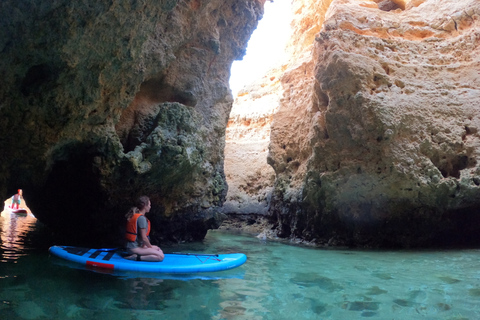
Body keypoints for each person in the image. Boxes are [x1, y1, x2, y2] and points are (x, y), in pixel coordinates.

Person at [124, 196, 164, 262]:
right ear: (145, 205)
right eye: (149, 205)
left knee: (158, 249)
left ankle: (139, 255)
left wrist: (151, 248)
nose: (150, 207)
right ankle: (136, 257)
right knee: (160, 256)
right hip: (133, 248)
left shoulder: (136, 215)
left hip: (134, 246)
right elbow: (144, 238)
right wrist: (150, 247)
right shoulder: (141, 218)